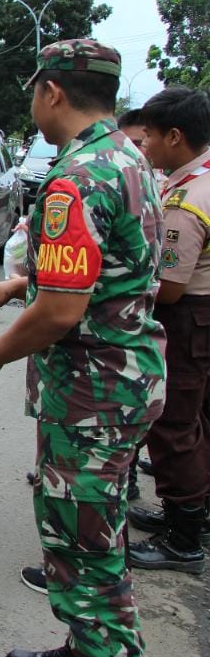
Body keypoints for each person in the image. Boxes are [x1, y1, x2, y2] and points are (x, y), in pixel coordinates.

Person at [0, 39, 165, 657]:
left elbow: (62, 312)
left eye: (35, 92)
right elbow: (111, 270)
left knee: (82, 544)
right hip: (128, 382)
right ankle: (86, 650)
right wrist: (18, 283)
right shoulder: (128, 158)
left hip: (90, 397)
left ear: (53, 92)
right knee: (103, 531)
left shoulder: (75, 178)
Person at [125, 86, 210, 574]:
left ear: (175, 136)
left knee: (173, 424)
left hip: (186, 319)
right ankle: (193, 515)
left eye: (151, 136)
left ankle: (183, 538)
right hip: (201, 316)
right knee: (197, 421)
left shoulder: (187, 198)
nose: (145, 145)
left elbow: (171, 289)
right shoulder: (197, 179)